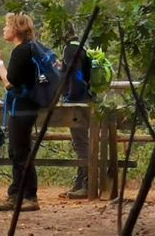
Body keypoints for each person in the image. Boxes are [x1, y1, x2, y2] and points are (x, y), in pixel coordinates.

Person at [0, 12, 41, 212]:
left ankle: (29, 196)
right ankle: (15, 194)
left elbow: (10, 83)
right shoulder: (30, 49)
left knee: (21, 153)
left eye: (7, 25)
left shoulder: (21, 52)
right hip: (26, 108)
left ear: (16, 30)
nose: (4, 29)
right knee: (16, 151)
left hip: (22, 109)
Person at [60, 29, 92, 199]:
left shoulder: (70, 50)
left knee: (80, 143)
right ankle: (80, 183)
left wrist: (71, 98)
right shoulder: (82, 47)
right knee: (80, 142)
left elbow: (77, 76)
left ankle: (87, 185)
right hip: (86, 99)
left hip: (78, 102)